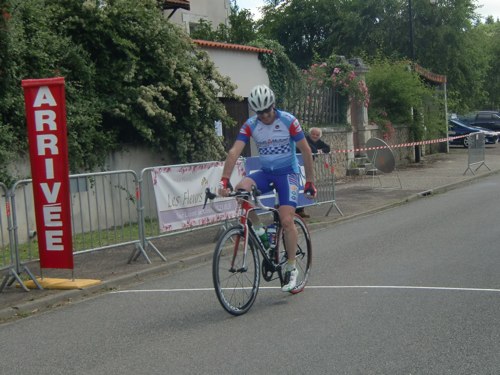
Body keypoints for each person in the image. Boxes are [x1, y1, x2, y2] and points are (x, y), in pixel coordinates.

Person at [218, 84, 317, 293]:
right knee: (241, 189)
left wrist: (309, 181)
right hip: (266, 172)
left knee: (287, 219)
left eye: (267, 111)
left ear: (273, 106)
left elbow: (306, 151)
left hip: (287, 174)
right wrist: (224, 179)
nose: (264, 116)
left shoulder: (288, 121)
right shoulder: (251, 124)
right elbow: (234, 151)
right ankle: (260, 230)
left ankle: (291, 267)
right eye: (259, 113)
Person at [296, 127, 330, 218]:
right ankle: (296, 210)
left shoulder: (318, 141)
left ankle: (300, 210)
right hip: (299, 165)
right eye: (313, 134)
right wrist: (317, 150)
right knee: (298, 187)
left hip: (307, 167)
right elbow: (312, 150)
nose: (315, 136)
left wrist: (321, 150)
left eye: (317, 135)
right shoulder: (305, 139)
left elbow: (327, 148)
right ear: (309, 134)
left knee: (304, 187)